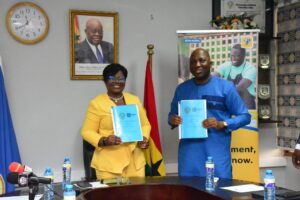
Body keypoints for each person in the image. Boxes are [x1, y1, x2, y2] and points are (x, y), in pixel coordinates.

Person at [168, 48, 251, 179]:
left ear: (211, 64)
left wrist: (222, 123)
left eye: (202, 60)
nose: (197, 65)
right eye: (193, 62)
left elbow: (245, 116)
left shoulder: (226, 87)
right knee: (188, 192)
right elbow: (171, 115)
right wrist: (173, 119)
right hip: (189, 157)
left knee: (219, 194)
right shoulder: (182, 89)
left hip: (217, 156)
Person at [81, 63, 150, 180]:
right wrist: (104, 140)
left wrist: (143, 138)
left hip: (135, 162)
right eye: (112, 78)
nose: (117, 82)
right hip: (109, 164)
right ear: (105, 81)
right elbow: (86, 131)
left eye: (121, 78)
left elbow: (145, 125)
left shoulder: (134, 100)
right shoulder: (96, 103)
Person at [213, 44, 257, 109]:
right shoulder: (226, 65)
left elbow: (240, 88)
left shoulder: (250, 69)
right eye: (232, 56)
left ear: (243, 56)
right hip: (229, 106)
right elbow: (213, 78)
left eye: (237, 56)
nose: (233, 58)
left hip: (246, 108)